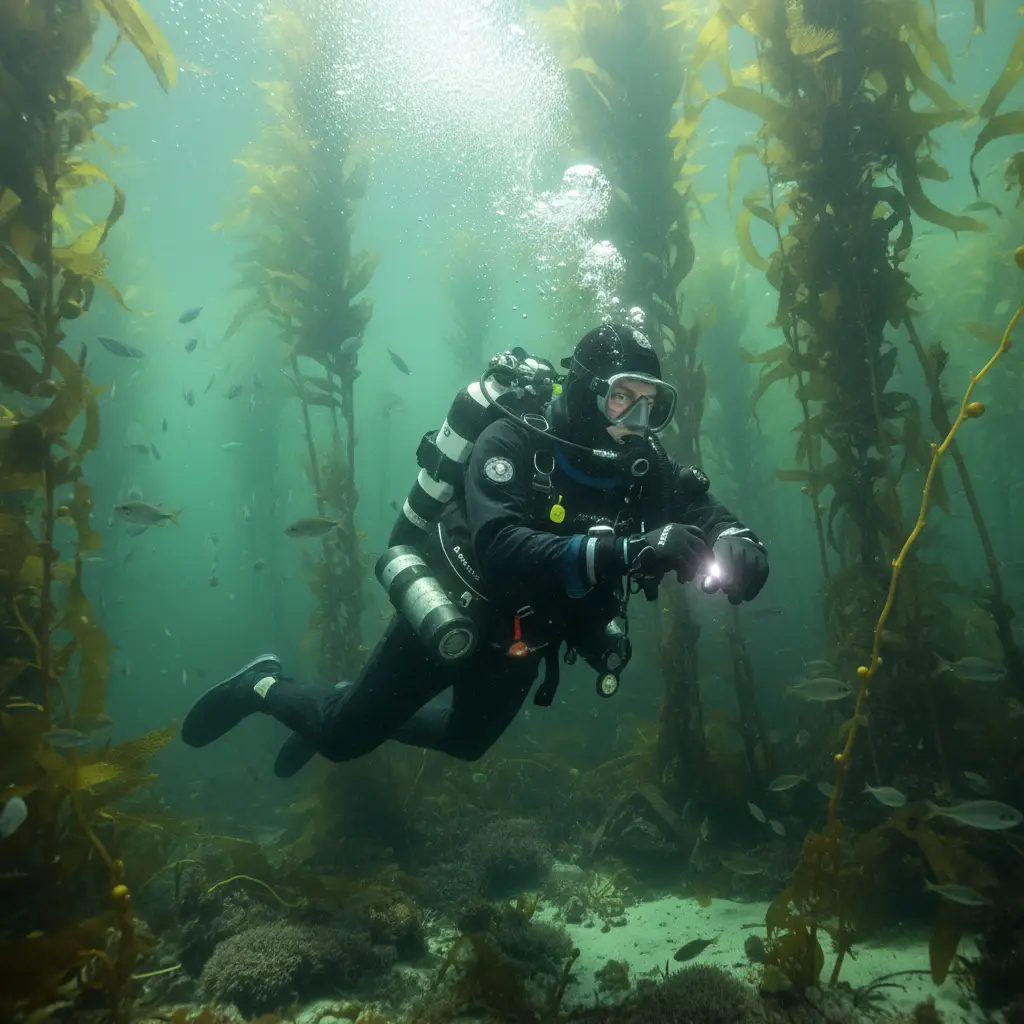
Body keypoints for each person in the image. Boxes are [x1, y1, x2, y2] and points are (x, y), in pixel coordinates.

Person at [181, 323, 769, 777]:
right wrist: (630, 551)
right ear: (590, 390)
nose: (638, 419)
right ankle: (259, 686)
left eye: (653, 403)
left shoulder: (642, 463)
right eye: (623, 398)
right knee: (341, 741)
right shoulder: (513, 436)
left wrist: (739, 544)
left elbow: (700, 511)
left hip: (526, 633)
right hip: (456, 605)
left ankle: (340, 703)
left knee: (466, 743)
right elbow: (500, 544)